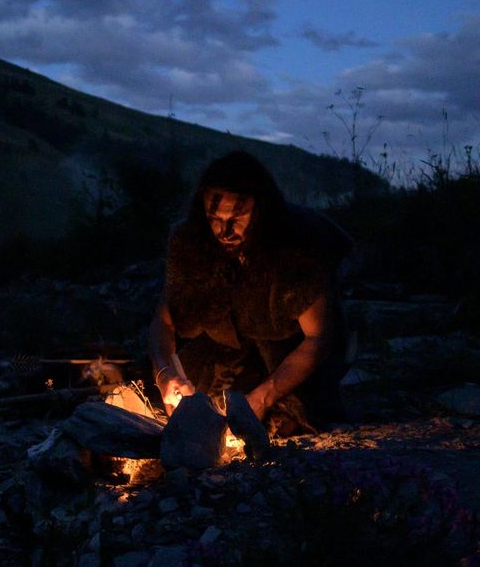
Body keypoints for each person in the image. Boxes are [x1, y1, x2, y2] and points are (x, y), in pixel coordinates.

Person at [149, 150, 353, 435]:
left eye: (238, 218)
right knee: (190, 397)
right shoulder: (191, 243)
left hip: (288, 342)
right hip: (228, 339)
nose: (225, 231)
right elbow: (164, 321)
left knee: (294, 414)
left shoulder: (295, 248)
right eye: (215, 218)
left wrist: (264, 395)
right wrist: (165, 373)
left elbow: (319, 338)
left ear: (260, 211)